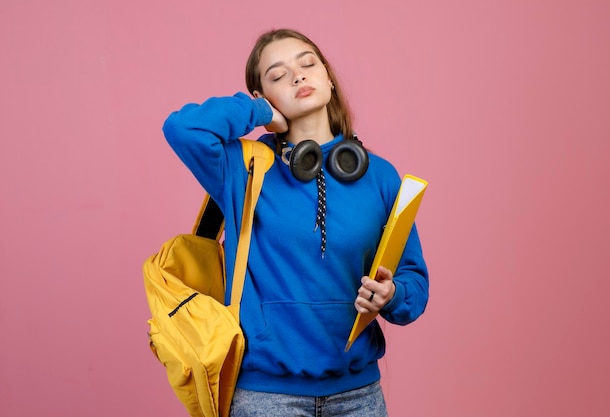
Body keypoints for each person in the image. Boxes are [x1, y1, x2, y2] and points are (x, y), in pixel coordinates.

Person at [163, 28, 429, 417]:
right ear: (263, 95)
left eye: (307, 64)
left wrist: (392, 295)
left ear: (328, 78)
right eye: (278, 74)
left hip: (359, 396)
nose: (298, 76)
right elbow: (182, 128)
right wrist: (259, 114)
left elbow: (414, 282)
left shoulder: (381, 176)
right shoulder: (243, 169)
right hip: (265, 398)